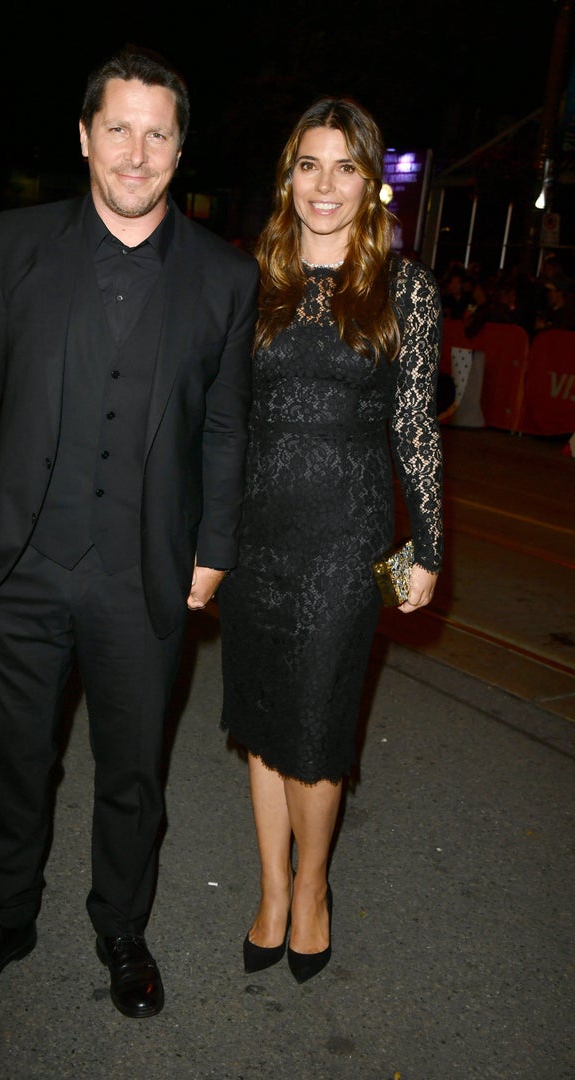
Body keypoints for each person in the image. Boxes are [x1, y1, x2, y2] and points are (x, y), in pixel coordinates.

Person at [0, 45, 259, 1019]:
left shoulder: (223, 276)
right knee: (13, 757)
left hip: (144, 574)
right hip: (18, 565)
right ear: (84, 137)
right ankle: (5, 916)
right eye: (118, 126)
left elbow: (227, 425)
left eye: (157, 132)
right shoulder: (20, 242)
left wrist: (215, 551)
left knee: (132, 773)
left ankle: (122, 928)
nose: (136, 149)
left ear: (179, 149)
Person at [218, 97, 443, 984]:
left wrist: (426, 546)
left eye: (345, 167)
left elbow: (416, 428)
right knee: (264, 726)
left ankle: (313, 888)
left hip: (349, 545)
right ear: (288, 177)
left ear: (370, 182)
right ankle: (269, 889)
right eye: (310, 164)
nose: (325, 184)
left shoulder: (406, 288)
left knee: (317, 729)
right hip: (254, 537)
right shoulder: (251, 282)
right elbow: (219, 420)